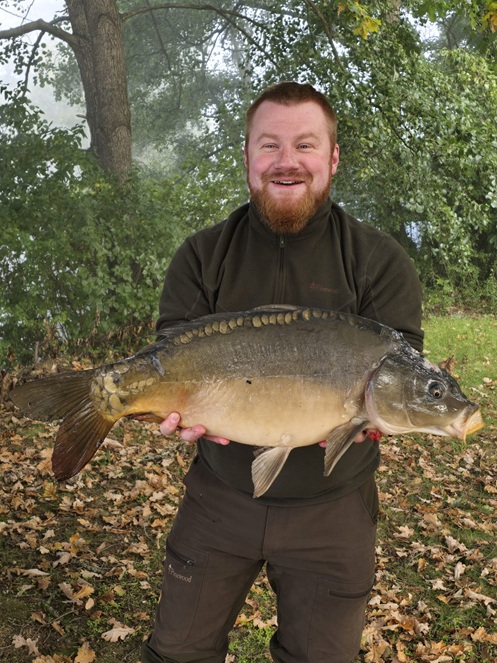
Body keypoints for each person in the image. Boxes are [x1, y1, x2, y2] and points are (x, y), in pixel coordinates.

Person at [141, 82, 423, 663]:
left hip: (333, 506)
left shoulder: (379, 261)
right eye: (269, 145)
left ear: (333, 158)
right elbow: (168, 360)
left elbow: (405, 374)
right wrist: (164, 410)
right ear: (247, 156)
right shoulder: (201, 256)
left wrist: (378, 416)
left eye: (305, 145)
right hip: (219, 495)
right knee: (177, 653)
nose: (286, 161)